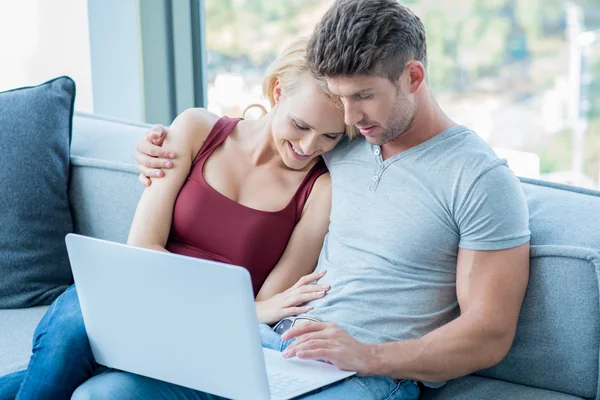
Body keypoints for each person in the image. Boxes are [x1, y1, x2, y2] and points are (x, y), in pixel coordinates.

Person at [77, 0, 532, 399]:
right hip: (267, 348)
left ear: (413, 77)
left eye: (363, 97)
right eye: (339, 98)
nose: (350, 119)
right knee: (104, 393)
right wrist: (157, 148)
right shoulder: (342, 140)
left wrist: (369, 356)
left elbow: (489, 334)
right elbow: (259, 137)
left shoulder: (479, 179)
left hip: (365, 375)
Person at [0, 38, 357, 400]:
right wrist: (238, 304)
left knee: (74, 352)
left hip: (205, 332)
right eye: (300, 125)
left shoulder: (319, 189)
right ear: (278, 92)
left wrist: (240, 309)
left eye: (330, 136)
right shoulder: (197, 129)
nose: (310, 146)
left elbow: (270, 303)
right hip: (140, 294)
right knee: (78, 317)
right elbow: (141, 247)